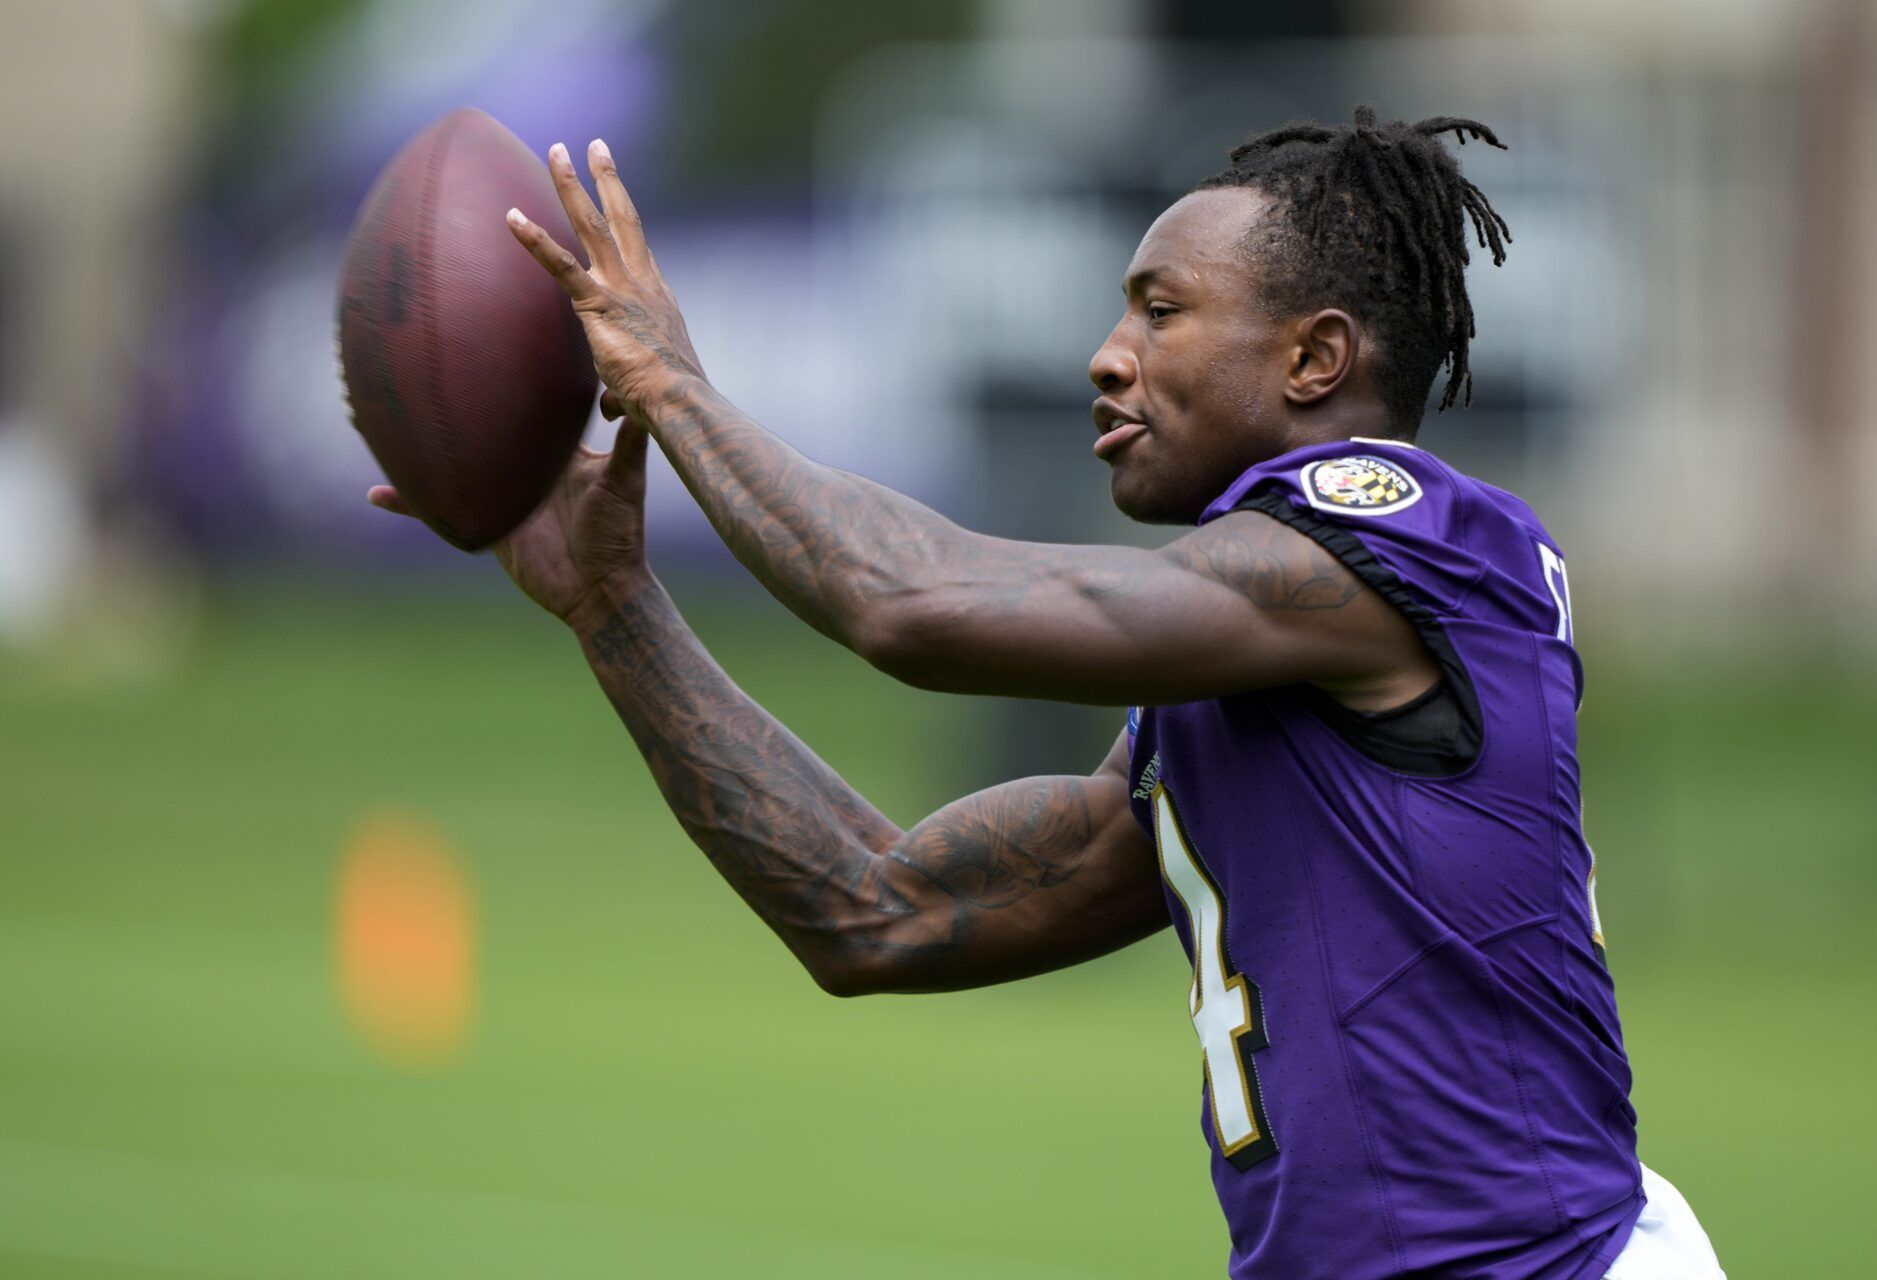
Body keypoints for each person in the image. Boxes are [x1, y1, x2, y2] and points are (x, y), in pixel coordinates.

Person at [371, 105, 1724, 1279]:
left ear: (1314, 361)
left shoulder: (1408, 532)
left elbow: (910, 602)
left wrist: (667, 380)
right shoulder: (1240, 709)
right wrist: (616, 606)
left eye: (1161, 307)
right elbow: (878, 911)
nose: (1107, 353)